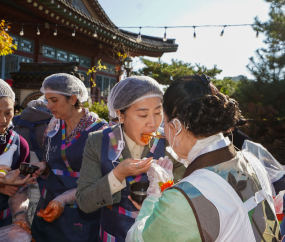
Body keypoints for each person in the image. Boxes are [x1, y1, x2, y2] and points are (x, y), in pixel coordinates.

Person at [126, 74, 280, 242]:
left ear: (176, 126)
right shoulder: (253, 161)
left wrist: (154, 195)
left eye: (165, 123)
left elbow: (137, 239)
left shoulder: (185, 197)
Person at [76, 76, 185, 242]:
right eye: (143, 115)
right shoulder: (99, 142)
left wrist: (164, 184)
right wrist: (117, 176)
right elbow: (84, 202)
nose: (153, 123)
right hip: (112, 235)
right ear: (120, 115)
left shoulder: (171, 143)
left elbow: (185, 203)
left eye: (158, 113)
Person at [30, 73, 108, 242]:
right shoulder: (53, 125)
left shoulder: (101, 131)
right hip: (50, 204)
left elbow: (105, 178)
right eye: (47, 100)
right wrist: (43, 166)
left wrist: (64, 199)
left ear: (73, 99)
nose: (49, 106)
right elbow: (53, 160)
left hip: (83, 213)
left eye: (54, 100)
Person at [0, 79, 32, 228]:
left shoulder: (19, 144)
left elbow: (20, 189)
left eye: (8, 113)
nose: (3, 120)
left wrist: (20, 217)